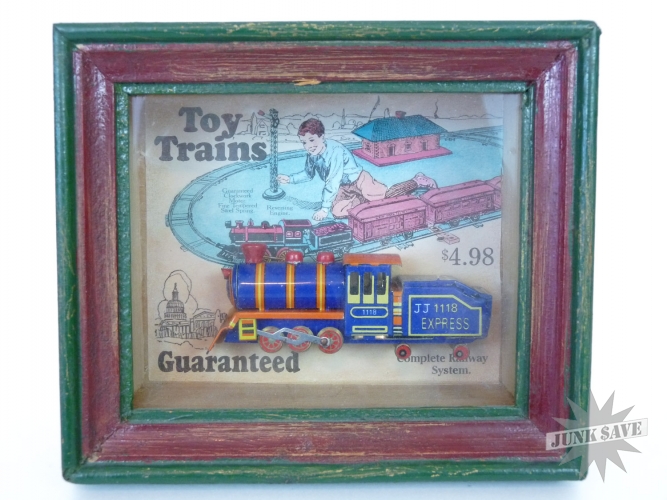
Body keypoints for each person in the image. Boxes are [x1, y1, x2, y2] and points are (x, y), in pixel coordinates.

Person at [277, 118, 387, 220]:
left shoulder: (335, 150)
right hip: (343, 187)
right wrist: (290, 179)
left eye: (311, 140)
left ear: (322, 137)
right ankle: (361, 200)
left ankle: (376, 192)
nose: (308, 146)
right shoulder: (312, 155)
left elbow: (333, 180)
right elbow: (308, 174)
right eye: (304, 142)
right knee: (337, 212)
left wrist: (324, 209)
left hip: (359, 180)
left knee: (380, 197)